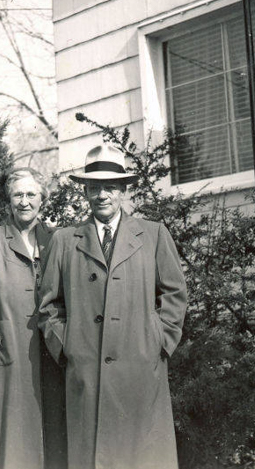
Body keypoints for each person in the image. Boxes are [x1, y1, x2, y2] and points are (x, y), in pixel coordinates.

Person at [38, 144, 188, 469]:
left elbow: (175, 293)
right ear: (85, 192)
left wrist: (159, 341)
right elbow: (48, 305)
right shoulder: (64, 241)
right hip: (87, 373)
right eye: (94, 187)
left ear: (122, 189)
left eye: (109, 187)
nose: (101, 195)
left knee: (144, 455)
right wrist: (68, 347)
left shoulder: (153, 235)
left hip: (140, 370)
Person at [0, 167, 67, 469]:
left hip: (52, 356)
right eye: (17, 194)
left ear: (42, 199)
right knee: (8, 444)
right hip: (7, 358)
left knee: (55, 440)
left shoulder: (58, 240)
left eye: (31, 194)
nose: (24, 201)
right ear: (8, 200)